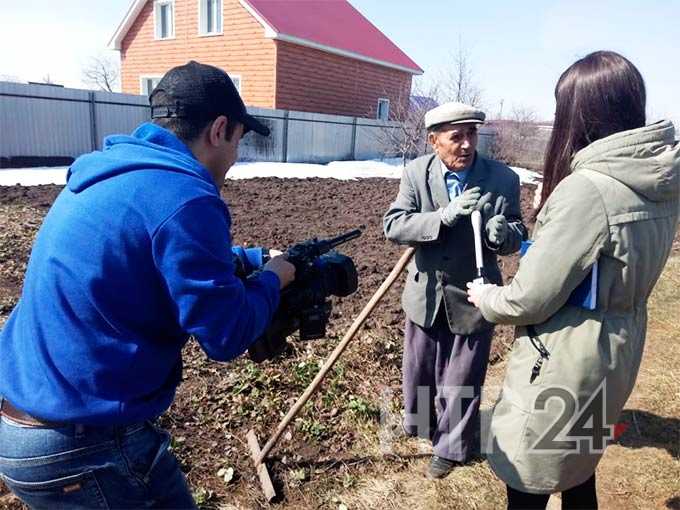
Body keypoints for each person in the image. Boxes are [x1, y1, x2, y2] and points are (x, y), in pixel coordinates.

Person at [0, 61, 295, 509]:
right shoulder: (188, 196)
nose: (236, 157)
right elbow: (226, 333)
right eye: (238, 140)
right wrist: (274, 278)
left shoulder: (111, 172)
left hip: (24, 425)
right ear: (219, 130)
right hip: (84, 447)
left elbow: (142, 256)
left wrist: (252, 258)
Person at [467, 51, 679, 509]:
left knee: (531, 474)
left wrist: (487, 297)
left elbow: (529, 300)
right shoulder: (658, 182)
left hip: (566, 355)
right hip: (616, 347)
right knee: (579, 465)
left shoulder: (588, 189)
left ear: (581, 114)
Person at [383, 102, 527, 478]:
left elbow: (517, 230)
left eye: (472, 135)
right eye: (456, 137)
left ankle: (451, 448)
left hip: (474, 295)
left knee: (461, 378)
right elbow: (394, 225)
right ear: (433, 141)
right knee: (419, 373)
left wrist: (504, 235)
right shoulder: (416, 173)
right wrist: (441, 218)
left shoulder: (502, 178)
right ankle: (424, 427)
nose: (466, 145)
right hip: (425, 295)